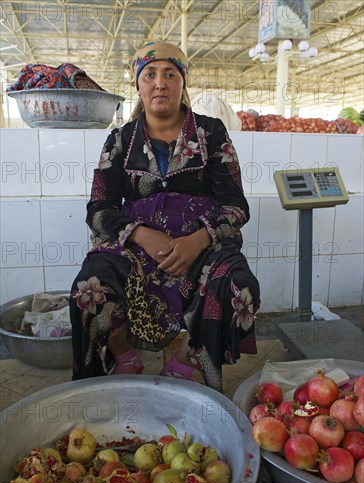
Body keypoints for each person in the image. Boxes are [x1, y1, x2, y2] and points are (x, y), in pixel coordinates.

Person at [70, 40, 260, 392]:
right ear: (138, 85)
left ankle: (186, 361)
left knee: (238, 287)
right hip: (134, 248)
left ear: (182, 83)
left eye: (170, 74)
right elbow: (98, 210)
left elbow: (236, 207)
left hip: (201, 246)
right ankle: (123, 356)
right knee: (88, 290)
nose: (160, 83)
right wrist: (140, 233)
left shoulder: (210, 132)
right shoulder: (119, 140)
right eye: (150, 74)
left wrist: (198, 240)